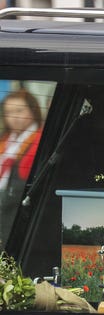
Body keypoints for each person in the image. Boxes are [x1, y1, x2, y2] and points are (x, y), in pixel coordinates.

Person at [0, 89, 43, 245]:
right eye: (9, 112)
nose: (14, 117)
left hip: (13, 207)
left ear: (33, 110)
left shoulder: (40, 138)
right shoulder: (6, 139)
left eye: (19, 110)